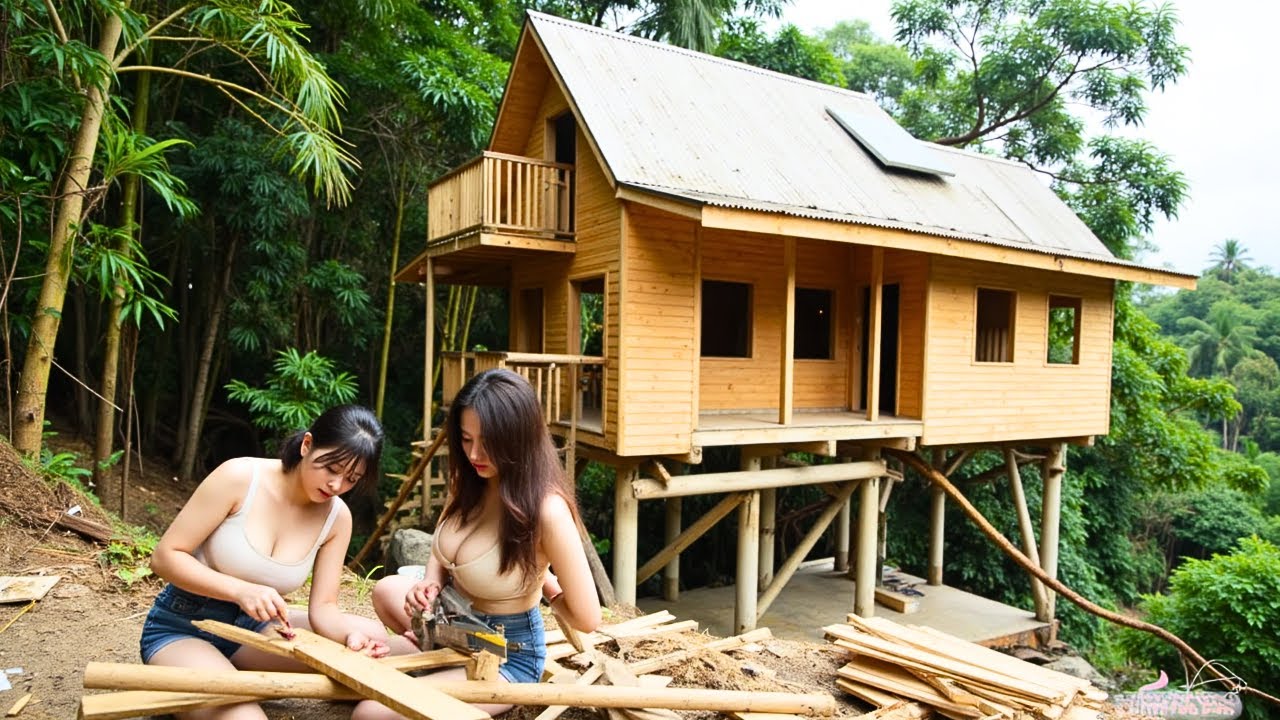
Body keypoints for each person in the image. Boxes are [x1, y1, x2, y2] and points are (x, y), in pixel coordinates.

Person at [353, 369, 602, 719]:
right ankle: (435, 663)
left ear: (519, 438)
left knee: (371, 713)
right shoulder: (470, 479)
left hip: (506, 654)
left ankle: (453, 689)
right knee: (387, 590)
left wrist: (544, 584)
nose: (474, 453)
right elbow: (444, 543)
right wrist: (431, 583)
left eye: (487, 442)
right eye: (466, 439)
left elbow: (588, 618)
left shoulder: (548, 510)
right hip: (456, 626)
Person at [141, 404, 391, 719]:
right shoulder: (240, 477)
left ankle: (218, 674)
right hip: (184, 626)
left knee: (374, 639)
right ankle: (197, 676)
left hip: (256, 631)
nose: (336, 485)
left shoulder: (337, 517)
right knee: (246, 717)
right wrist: (240, 590)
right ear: (307, 445)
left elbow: (324, 609)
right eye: (331, 468)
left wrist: (346, 639)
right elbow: (165, 557)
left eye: (352, 478)